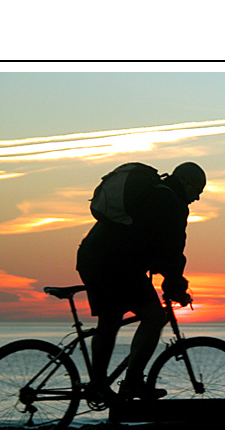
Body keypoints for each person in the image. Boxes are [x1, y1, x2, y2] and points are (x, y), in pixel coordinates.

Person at [76, 161, 206, 402]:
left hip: (92, 256)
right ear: (186, 182)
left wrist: (171, 279)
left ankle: (98, 384)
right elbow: (170, 250)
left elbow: (155, 247)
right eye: (197, 190)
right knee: (154, 316)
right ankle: (133, 382)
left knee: (110, 319)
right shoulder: (169, 202)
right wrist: (176, 286)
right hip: (115, 263)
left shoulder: (155, 193)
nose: (197, 198)